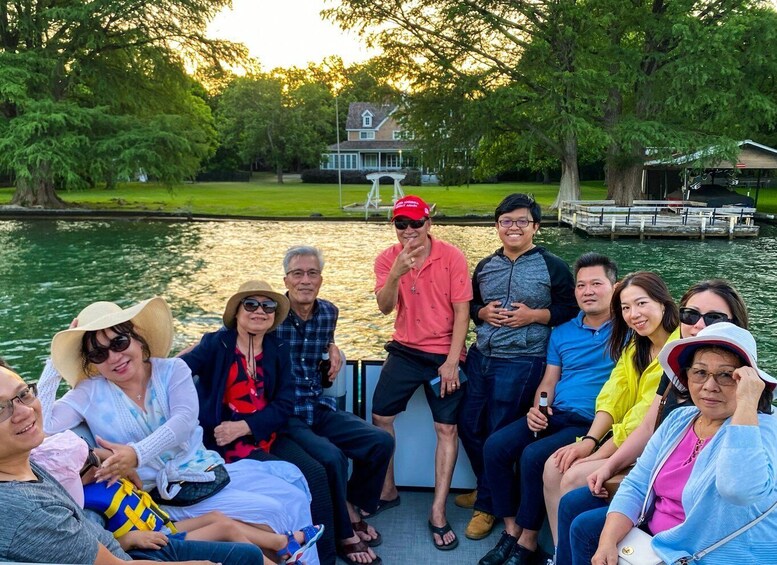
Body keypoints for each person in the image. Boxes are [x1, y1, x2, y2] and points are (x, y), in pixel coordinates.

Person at [37, 296, 320, 564]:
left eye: (119, 342)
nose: (114, 357)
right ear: (92, 362)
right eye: (99, 353)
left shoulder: (172, 370)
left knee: (289, 495)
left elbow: (184, 421)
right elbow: (44, 427)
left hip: (200, 475)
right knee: (270, 512)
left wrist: (136, 455)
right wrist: (53, 365)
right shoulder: (88, 392)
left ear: (136, 338)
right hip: (154, 497)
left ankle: (286, 552)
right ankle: (283, 550)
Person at [556, 279, 750, 565]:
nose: (699, 325)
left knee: (584, 524)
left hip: (689, 510)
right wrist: (606, 464)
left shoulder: (746, 393)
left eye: (714, 318)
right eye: (690, 315)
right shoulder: (675, 374)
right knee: (573, 501)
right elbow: (648, 427)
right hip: (656, 481)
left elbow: (737, 486)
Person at [0, 361, 264, 564]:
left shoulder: (31, 467)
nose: (23, 411)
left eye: (23, 394)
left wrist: (100, 457)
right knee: (244, 552)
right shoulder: (29, 510)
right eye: (0, 408)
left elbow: (47, 433)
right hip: (134, 548)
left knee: (243, 545)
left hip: (132, 536)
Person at [588, 322, 777, 564]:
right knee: (585, 530)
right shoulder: (680, 419)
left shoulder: (763, 427)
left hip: (713, 554)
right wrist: (607, 543)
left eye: (727, 375)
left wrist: (747, 403)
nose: (710, 386)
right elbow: (637, 484)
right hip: (659, 542)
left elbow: (738, 490)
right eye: (700, 372)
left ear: (748, 381)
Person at [180, 279, 339, 565]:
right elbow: (176, 371)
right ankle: (290, 549)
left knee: (316, 472)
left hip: (267, 434)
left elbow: (284, 404)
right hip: (224, 444)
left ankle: (324, 557)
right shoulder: (216, 344)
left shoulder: (278, 348)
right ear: (237, 312)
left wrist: (245, 427)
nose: (259, 311)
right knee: (291, 484)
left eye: (268, 306)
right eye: (251, 304)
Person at [477, 252, 618, 565]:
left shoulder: (628, 332)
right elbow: (549, 380)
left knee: (533, 457)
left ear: (614, 287)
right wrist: (538, 408)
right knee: (496, 447)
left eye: (596, 283)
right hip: (556, 414)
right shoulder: (563, 332)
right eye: (581, 285)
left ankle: (527, 543)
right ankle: (512, 530)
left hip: (592, 423)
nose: (588, 291)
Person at [457, 193, 579, 540]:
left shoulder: (551, 265)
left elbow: (569, 309)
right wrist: (481, 313)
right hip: (481, 356)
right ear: (497, 227)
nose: (513, 227)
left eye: (522, 221)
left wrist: (534, 316)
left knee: (498, 431)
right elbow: (472, 304)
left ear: (535, 227)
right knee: (469, 424)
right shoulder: (485, 266)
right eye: (506, 221)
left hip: (523, 360)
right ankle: (489, 491)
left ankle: (488, 506)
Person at [542, 271, 680, 550]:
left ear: (663, 303)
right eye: (626, 308)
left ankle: (577, 551)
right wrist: (590, 442)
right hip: (627, 439)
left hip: (653, 449)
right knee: (553, 467)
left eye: (641, 304)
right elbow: (613, 395)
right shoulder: (637, 345)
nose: (633, 314)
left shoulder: (675, 351)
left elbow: (644, 418)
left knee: (573, 475)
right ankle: (561, 552)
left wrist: (601, 456)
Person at [274, 246, 394, 565]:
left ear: (321, 280)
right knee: (332, 457)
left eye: (312, 273)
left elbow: (324, 346)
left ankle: (352, 502)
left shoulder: (329, 312)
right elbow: (232, 335)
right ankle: (344, 533)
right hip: (286, 416)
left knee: (380, 441)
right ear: (285, 279)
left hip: (318, 405)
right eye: (297, 273)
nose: (305, 280)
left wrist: (332, 345)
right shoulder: (269, 314)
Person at [372, 194, 472, 550]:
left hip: (443, 353)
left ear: (429, 224)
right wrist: (397, 273)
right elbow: (384, 308)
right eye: (402, 224)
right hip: (404, 349)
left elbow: (462, 314)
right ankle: (388, 488)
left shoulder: (452, 257)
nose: (410, 231)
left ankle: (438, 510)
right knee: (380, 418)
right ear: (394, 226)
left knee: (447, 428)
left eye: (417, 223)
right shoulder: (387, 259)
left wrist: (451, 361)